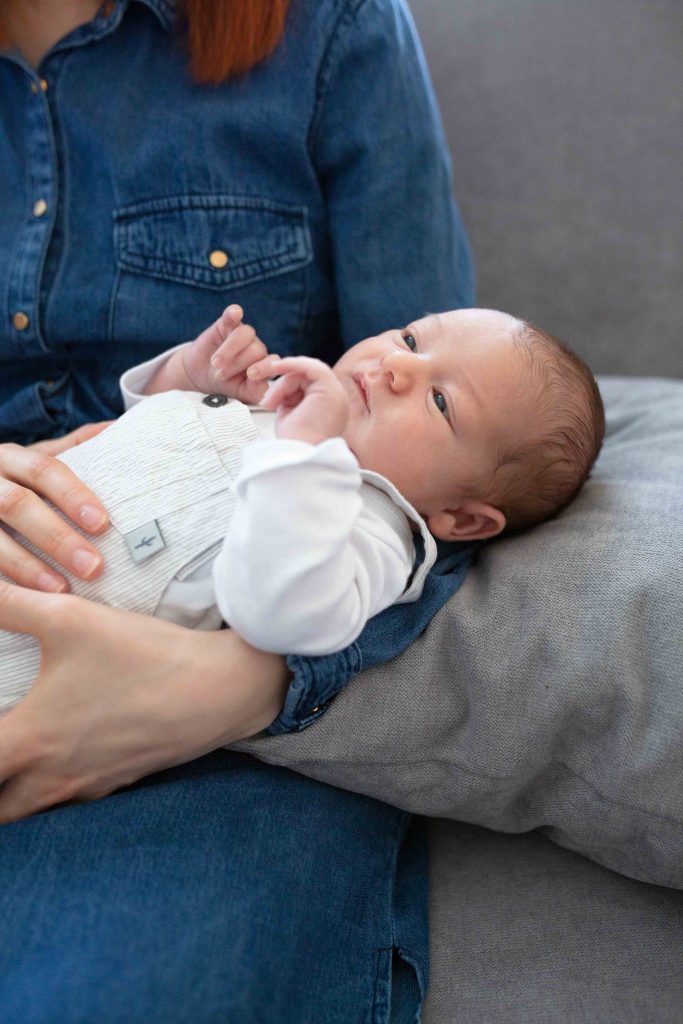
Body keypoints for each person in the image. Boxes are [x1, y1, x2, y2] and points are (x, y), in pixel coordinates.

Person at [0, 0, 475, 1020]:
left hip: (209, 726)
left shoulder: (333, 30)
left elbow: (433, 478)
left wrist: (234, 686)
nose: (400, 368)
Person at [0, 303, 604, 713]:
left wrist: (302, 455)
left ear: (463, 519)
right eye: (411, 339)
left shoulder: (373, 530)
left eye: (441, 401)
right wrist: (188, 376)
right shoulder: (279, 405)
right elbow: (138, 438)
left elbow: (284, 615)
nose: (397, 366)